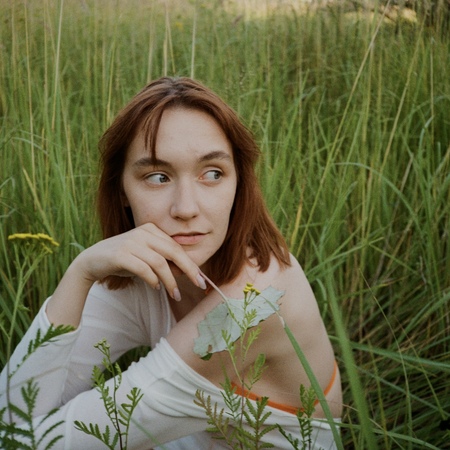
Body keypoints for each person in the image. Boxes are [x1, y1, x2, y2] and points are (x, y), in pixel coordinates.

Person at [0, 77, 342, 449]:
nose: (186, 208)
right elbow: (12, 419)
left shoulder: (254, 303)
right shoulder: (145, 267)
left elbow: (26, 442)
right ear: (122, 190)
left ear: (239, 183)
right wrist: (80, 272)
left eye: (213, 174)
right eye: (158, 177)